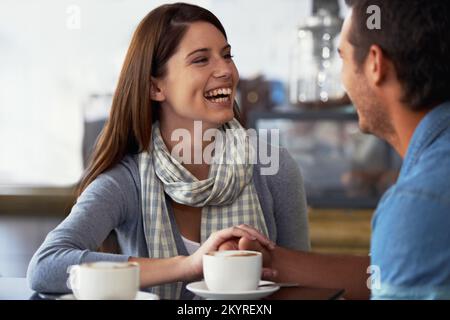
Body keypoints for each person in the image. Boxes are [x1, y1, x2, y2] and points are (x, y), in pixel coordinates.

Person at [26, 3, 310, 299]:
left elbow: (306, 284)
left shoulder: (273, 167)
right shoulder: (126, 182)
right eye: (201, 60)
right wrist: (187, 266)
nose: (226, 70)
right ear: (155, 88)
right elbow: (46, 267)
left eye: (227, 55)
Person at [230, 0, 450, 300]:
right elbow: (387, 273)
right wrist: (274, 262)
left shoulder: (418, 204)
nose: (341, 80)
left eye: (342, 58)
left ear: (375, 64)